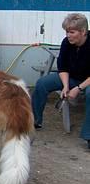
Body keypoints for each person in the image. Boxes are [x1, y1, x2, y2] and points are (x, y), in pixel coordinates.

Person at [32, 13, 90, 149]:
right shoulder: (66, 43)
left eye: (72, 32)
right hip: (72, 78)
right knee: (42, 83)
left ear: (83, 32)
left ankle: (88, 135)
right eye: (67, 32)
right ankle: (35, 121)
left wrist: (79, 88)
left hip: (87, 82)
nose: (68, 35)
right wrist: (65, 86)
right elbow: (62, 67)